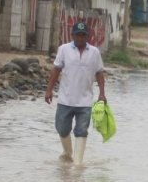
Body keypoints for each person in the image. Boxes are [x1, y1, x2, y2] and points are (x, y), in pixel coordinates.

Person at [45, 20, 107, 164]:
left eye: (83, 36)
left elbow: (99, 73)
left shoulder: (94, 52)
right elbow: (56, 70)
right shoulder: (64, 49)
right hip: (65, 99)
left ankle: (78, 163)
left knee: (81, 131)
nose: (80, 38)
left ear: (88, 37)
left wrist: (102, 93)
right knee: (62, 128)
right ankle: (68, 152)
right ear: (72, 35)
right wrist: (49, 90)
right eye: (77, 35)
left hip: (85, 101)